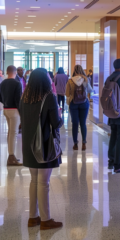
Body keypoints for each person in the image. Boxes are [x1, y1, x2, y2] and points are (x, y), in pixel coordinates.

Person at [20, 68, 63, 230]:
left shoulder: (24, 97)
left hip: (28, 146)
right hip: (44, 145)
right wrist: (59, 115)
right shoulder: (49, 98)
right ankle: (45, 220)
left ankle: (33, 218)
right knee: (43, 183)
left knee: (34, 181)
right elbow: (56, 123)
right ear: (45, 81)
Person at [66, 65, 92, 151]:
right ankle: (84, 143)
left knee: (75, 124)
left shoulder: (70, 81)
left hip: (74, 103)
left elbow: (67, 94)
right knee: (83, 123)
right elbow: (90, 90)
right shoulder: (85, 79)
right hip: (84, 103)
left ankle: (75, 144)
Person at [0, 65, 23, 166]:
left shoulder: (2, 83)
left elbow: (0, 97)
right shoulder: (17, 83)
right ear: (15, 72)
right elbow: (18, 100)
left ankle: (11, 155)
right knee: (13, 134)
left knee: (10, 133)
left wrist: (5, 102)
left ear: (7, 72)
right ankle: (11, 157)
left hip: (5, 109)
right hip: (14, 111)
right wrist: (22, 112)